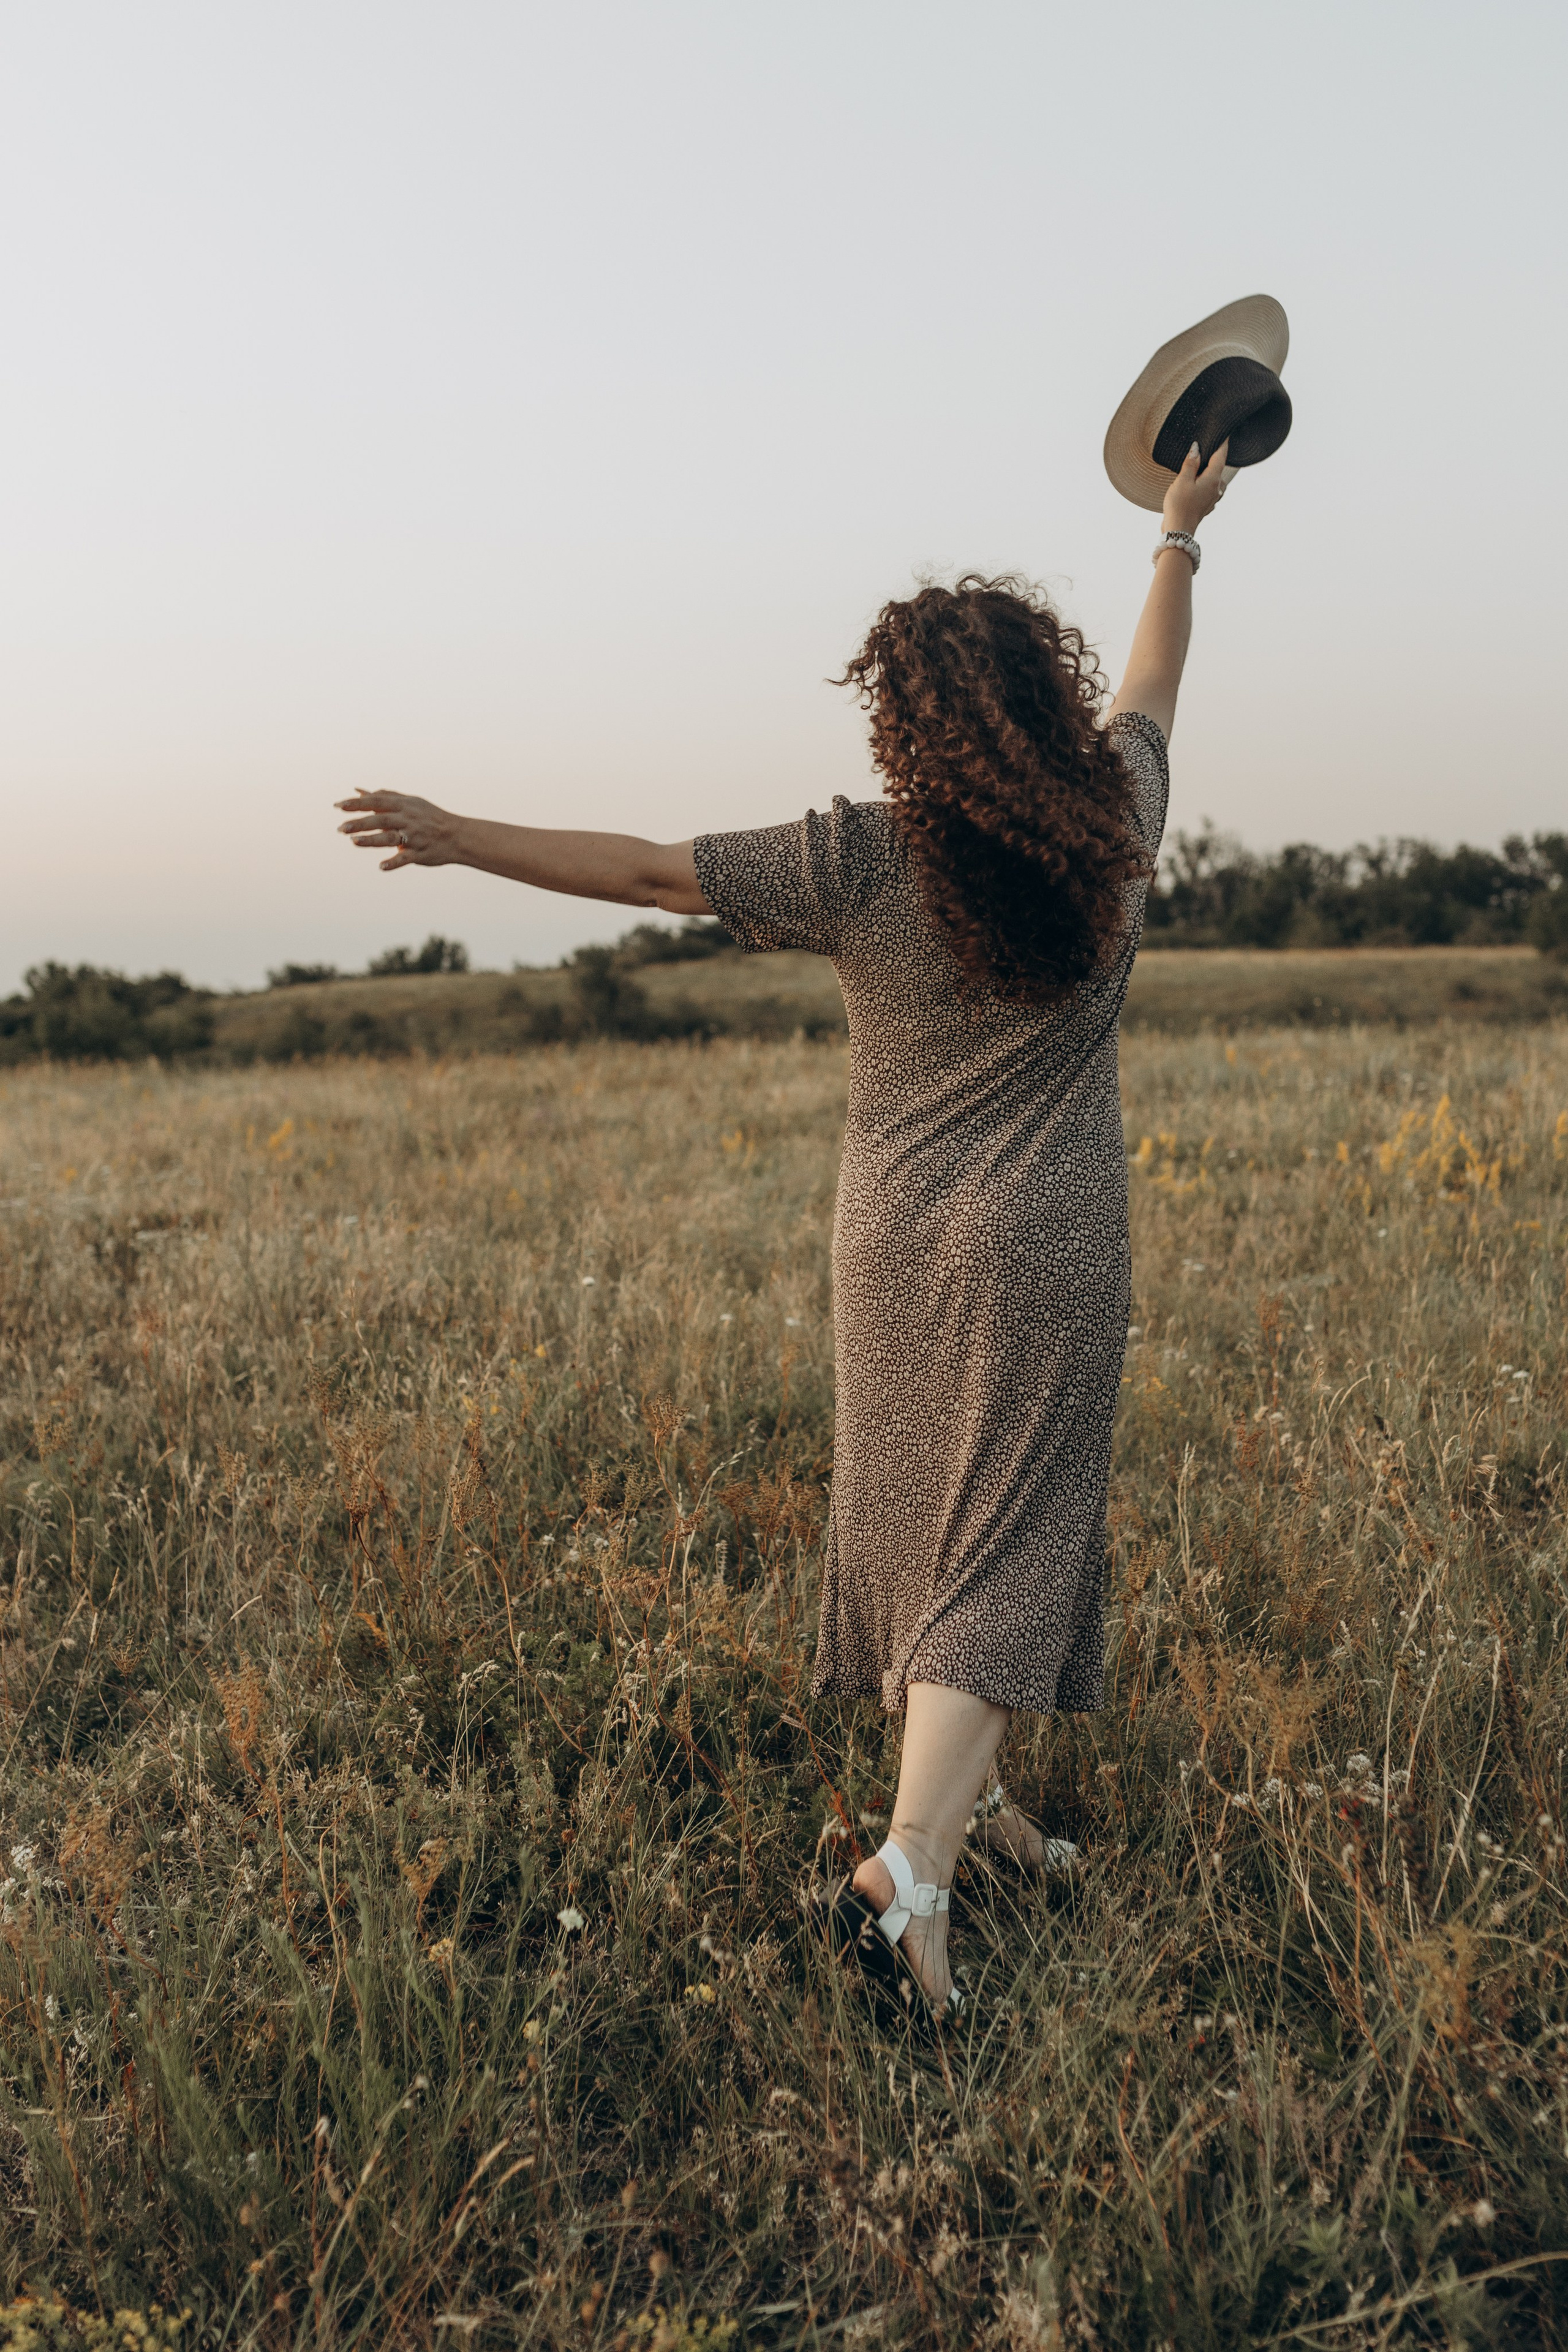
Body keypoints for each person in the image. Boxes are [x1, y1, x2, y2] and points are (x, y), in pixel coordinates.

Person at [336, 440, 1231, 2021]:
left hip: (888, 1239)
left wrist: (460, 834)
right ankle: (909, 1882)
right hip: (1052, 1236)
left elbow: (642, 872)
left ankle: (983, 1818)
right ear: (1044, 693)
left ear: (911, 720)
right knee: (1011, 1536)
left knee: (922, 1524)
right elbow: (1155, 684)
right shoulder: (1119, 818)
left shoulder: (861, 857)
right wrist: (1175, 540)